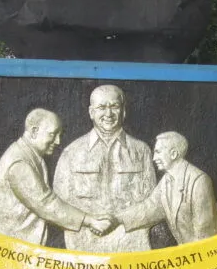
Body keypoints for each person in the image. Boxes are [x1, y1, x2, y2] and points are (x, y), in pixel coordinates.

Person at [0, 109, 112, 244]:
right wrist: (89, 220)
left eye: (59, 135)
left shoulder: (31, 156)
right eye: (52, 134)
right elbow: (45, 204)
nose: (58, 141)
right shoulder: (19, 163)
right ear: (34, 131)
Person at [53, 85, 156, 252]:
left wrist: (118, 219)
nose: (108, 114)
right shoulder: (71, 152)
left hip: (131, 248)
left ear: (123, 111)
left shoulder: (141, 151)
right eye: (101, 107)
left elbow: (152, 202)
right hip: (83, 248)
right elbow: (59, 201)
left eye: (114, 106)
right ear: (91, 112)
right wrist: (89, 220)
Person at [116, 132, 217, 245]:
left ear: (173, 154)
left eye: (158, 152)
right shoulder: (167, 180)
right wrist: (116, 219)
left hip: (216, 252)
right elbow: (149, 208)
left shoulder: (199, 180)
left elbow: (205, 232)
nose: (154, 158)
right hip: (193, 254)